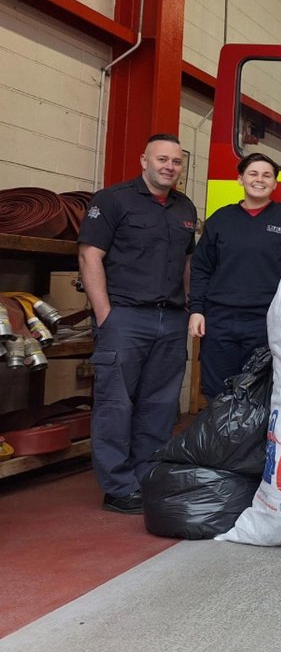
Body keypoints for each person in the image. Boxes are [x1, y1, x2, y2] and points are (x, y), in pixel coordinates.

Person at [78, 133, 197, 515]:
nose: (169, 167)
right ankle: (118, 486)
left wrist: (191, 307)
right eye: (162, 159)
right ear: (144, 160)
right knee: (116, 404)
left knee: (160, 404)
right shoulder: (112, 201)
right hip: (125, 317)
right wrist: (105, 315)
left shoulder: (185, 207)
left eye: (176, 162)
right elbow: (89, 256)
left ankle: (147, 476)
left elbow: (187, 264)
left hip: (171, 318)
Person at [188, 153, 281, 399]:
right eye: (253, 174)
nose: (259, 180)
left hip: (267, 322)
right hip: (220, 321)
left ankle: (255, 440)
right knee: (218, 393)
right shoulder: (221, 220)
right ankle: (221, 439)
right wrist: (197, 310)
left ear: (275, 183)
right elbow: (201, 268)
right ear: (240, 179)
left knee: (262, 393)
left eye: (267, 175)